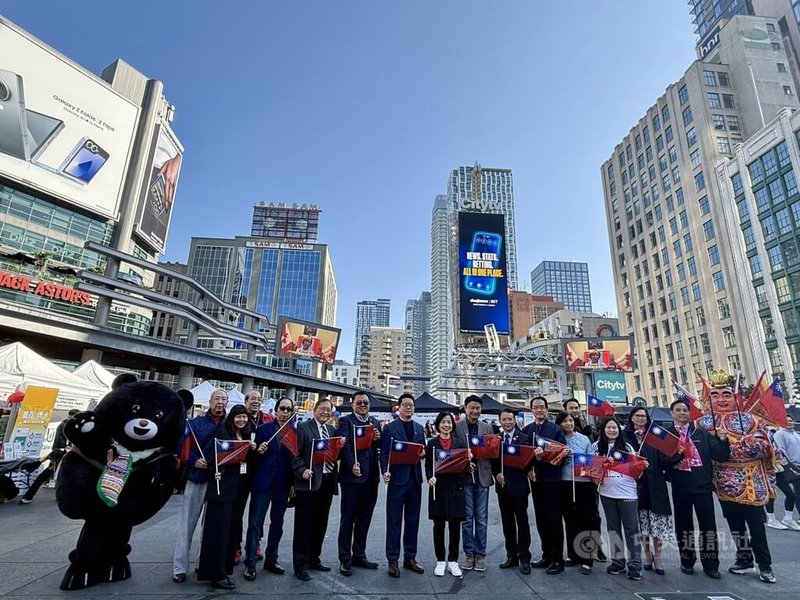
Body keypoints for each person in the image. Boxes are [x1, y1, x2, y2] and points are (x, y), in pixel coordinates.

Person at [696, 369, 776, 583]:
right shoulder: (702, 424)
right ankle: (744, 558)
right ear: (708, 398)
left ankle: (765, 565)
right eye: (715, 395)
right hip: (723, 484)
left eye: (726, 395)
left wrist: (746, 445)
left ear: (735, 396)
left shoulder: (750, 420)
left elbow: (766, 446)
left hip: (750, 481)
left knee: (757, 526)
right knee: (735, 524)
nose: (721, 399)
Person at [665, 398, 729, 579]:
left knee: (708, 526)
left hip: (702, 486)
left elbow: (720, 455)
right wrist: (676, 458)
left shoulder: (701, 434)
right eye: (678, 410)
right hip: (680, 486)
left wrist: (723, 440)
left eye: (685, 410)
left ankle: (711, 564)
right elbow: (664, 461)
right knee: (684, 526)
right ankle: (687, 561)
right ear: (672, 413)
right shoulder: (668, 434)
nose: (682, 413)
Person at [197, 405, 255, 591]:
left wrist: (254, 449)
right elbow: (211, 457)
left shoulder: (246, 435)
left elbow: (246, 462)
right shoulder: (222, 433)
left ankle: (223, 569)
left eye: (244, 417)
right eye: (238, 417)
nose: (241, 420)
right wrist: (215, 471)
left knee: (230, 532)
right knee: (218, 533)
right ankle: (216, 574)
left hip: (237, 489)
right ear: (232, 418)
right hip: (221, 489)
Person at [172, 389, 228, 583]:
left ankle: (201, 563)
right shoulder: (195, 423)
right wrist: (194, 460)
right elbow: (181, 446)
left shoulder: (229, 424)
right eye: (217, 398)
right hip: (197, 478)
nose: (220, 402)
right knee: (187, 525)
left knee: (210, 527)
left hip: (218, 481)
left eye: (223, 399)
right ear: (210, 401)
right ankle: (179, 567)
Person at [242, 397, 295, 581]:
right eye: (283, 408)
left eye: (289, 409)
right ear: (277, 410)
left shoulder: (293, 433)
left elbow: (294, 461)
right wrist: (258, 452)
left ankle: (271, 559)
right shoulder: (263, 430)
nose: (285, 412)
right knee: (255, 524)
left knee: (277, 525)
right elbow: (251, 457)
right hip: (262, 484)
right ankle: (249, 562)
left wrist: (293, 485)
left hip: (282, 485)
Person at [290, 397, 339, 581]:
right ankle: (300, 564)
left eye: (329, 410)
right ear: (315, 409)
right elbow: (294, 453)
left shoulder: (332, 430)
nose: (326, 412)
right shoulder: (303, 428)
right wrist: (301, 470)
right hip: (308, 481)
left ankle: (313, 558)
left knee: (321, 522)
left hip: (326, 481)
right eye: (322, 409)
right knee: (304, 524)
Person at [622, 407, 674, 576]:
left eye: (643, 416)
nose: (640, 418)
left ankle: (658, 556)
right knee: (642, 524)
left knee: (656, 523)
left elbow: (665, 459)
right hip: (635, 485)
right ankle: (647, 554)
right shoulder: (625, 436)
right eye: (637, 416)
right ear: (631, 418)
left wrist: (678, 454)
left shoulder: (654, 436)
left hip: (655, 484)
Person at [592, 416, 643, 581]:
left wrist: (641, 465)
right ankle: (618, 562)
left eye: (614, 427)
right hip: (607, 493)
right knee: (613, 529)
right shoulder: (597, 448)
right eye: (608, 428)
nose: (611, 430)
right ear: (603, 430)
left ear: (619, 430)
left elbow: (637, 471)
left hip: (627, 493)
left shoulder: (627, 447)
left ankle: (635, 565)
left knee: (631, 529)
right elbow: (592, 473)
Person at [336, 391, 382, 575]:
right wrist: (350, 464)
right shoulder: (346, 421)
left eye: (366, 403)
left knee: (365, 519)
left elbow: (380, 447)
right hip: (352, 477)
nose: (363, 405)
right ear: (353, 404)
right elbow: (344, 445)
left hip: (371, 478)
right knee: (347, 519)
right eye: (359, 403)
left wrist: (378, 439)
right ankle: (345, 558)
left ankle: (359, 554)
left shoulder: (375, 422)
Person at [381, 392, 426, 578]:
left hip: (415, 480)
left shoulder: (419, 428)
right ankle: (392, 560)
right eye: (405, 405)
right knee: (394, 521)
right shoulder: (390, 429)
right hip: (397, 480)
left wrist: (422, 454)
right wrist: (385, 471)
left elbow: (422, 449)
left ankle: (410, 557)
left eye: (411, 406)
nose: (408, 408)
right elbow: (383, 453)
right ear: (398, 407)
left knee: (413, 521)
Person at [523, 396, 567, 574]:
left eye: (542, 407)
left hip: (553, 480)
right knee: (540, 519)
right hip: (536, 481)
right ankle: (546, 554)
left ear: (547, 410)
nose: (539, 410)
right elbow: (524, 454)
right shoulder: (527, 430)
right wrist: (529, 467)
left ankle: (558, 559)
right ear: (531, 410)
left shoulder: (555, 430)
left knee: (554, 519)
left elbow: (563, 454)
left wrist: (545, 457)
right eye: (536, 407)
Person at [454, 394, 494, 572]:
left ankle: (480, 554)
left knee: (482, 518)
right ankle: (469, 553)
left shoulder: (488, 427)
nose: (475, 411)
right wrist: (464, 463)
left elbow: (493, 452)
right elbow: (453, 451)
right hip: (465, 478)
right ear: (465, 408)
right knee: (467, 517)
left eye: (478, 408)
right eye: (472, 407)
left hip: (483, 476)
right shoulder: (457, 427)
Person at [556, 411, 598, 575]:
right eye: (565, 421)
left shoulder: (584, 439)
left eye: (570, 421)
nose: (569, 424)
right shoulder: (559, 439)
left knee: (586, 520)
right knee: (570, 520)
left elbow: (591, 460)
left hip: (583, 483)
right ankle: (573, 555)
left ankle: (587, 558)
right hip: (565, 482)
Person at [425, 411, 467, 577]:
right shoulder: (432, 443)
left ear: (453, 424)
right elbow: (428, 464)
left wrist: (468, 459)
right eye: (443, 422)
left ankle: (453, 561)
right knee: (439, 525)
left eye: (449, 422)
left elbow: (463, 466)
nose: (446, 425)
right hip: (438, 487)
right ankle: (440, 560)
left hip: (456, 488)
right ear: (438, 424)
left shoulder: (458, 443)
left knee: (455, 525)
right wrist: (430, 477)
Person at [492, 408, 533, 574]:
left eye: (510, 419)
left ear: (515, 420)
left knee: (522, 523)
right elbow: (492, 459)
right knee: (507, 523)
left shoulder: (524, 438)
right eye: (504, 419)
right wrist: (496, 473)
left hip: (520, 487)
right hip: (503, 487)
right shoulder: (496, 439)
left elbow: (529, 461)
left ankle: (524, 557)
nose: (507, 422)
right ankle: (511, 555)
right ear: (500, 421)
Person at [234, 389, 272, 564]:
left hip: (261, 472)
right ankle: (235, 545)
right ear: (246, 401)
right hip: (241, 472)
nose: (256, 402)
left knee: (258, 512)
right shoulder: (239, 418)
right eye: (253, 399)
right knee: (237, 510)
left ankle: (256, 542)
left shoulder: (267, 419)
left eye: (259, 399)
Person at [20, 409, 79, 504]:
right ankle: (29, 495)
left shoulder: (66, 425)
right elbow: (64, 443)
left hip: (60, 454)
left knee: (48, 475)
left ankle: (29, 495)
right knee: (51, 474)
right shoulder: (67, 426)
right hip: (61, 455)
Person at [767, 415, 800, 530]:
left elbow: (779, 451)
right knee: (771, 494)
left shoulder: (794, 434)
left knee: (791, 494)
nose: (790, 423)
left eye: (791, 420)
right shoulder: (776, 434)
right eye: (787, 421)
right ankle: (771, 519)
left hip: (780, 468)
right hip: (769, 468)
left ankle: (788, 518)